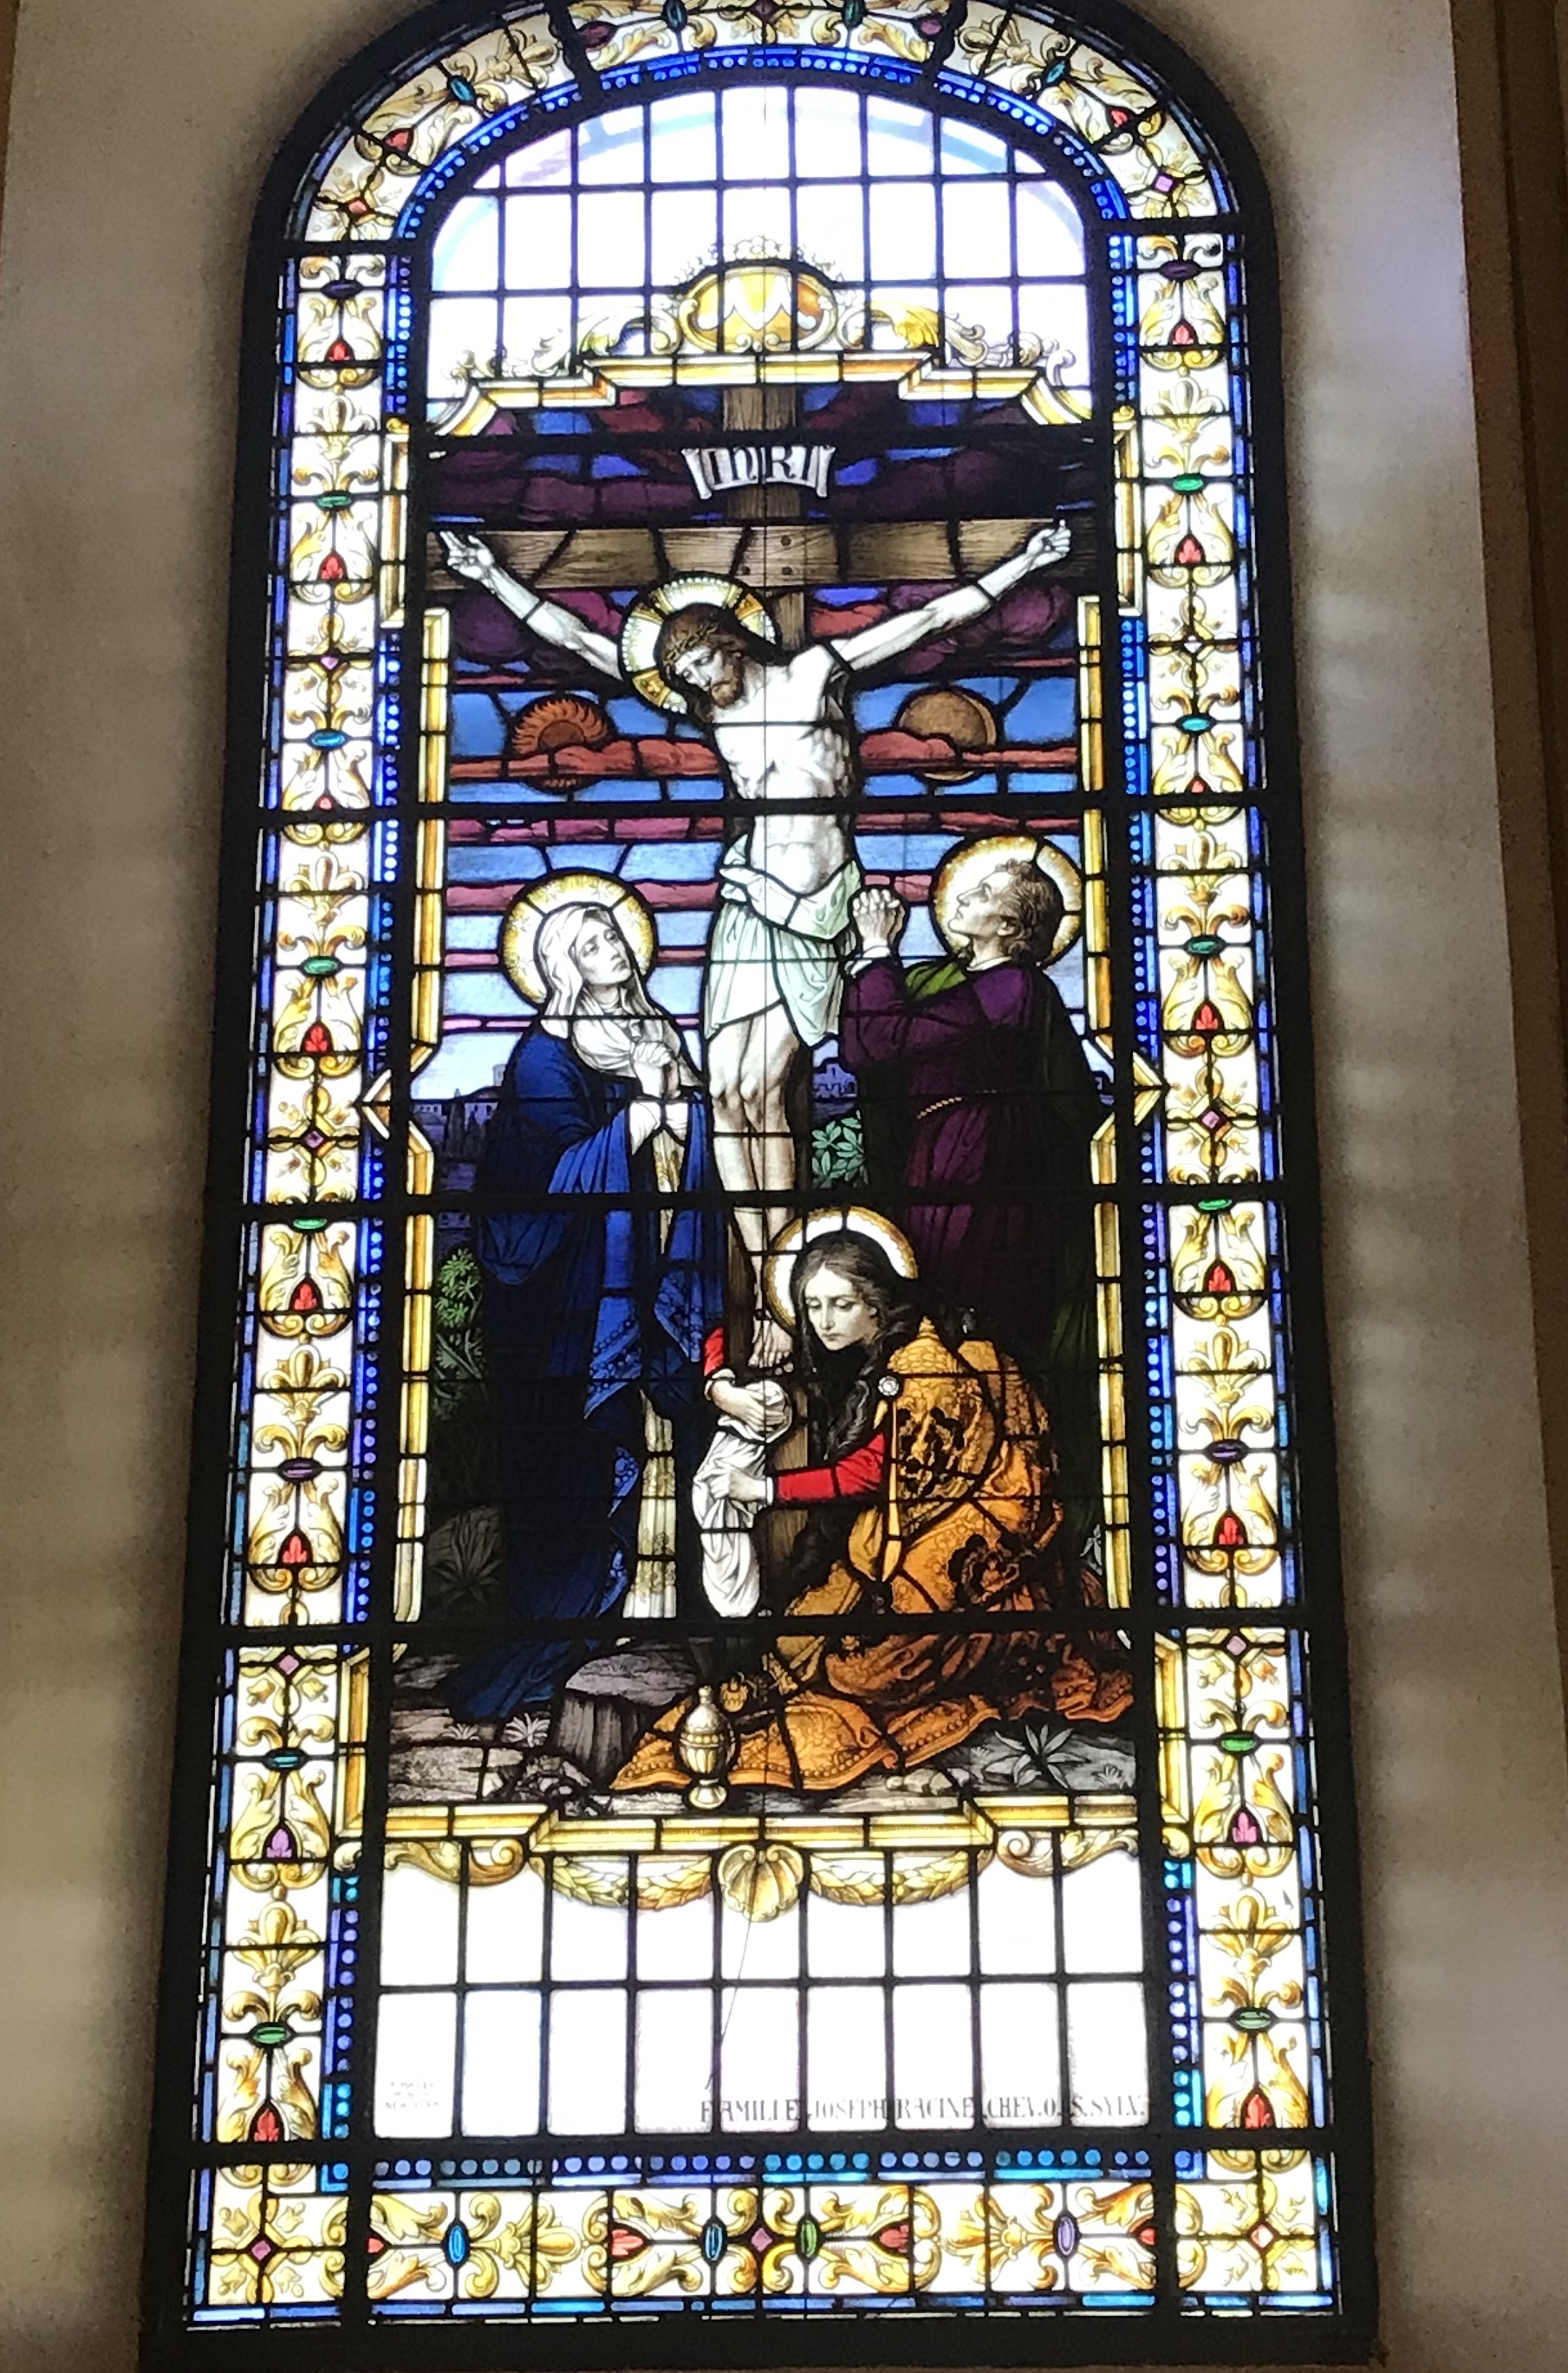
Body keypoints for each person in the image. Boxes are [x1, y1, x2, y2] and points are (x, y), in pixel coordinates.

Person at [441, 521, 1074, 1356]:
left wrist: (1025, 562)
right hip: (748, 901)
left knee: (768, 1091)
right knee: (726, 1095)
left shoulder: (814, 673)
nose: (703, 680)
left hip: (814, 909)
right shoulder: (711, 716)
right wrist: (492, 577)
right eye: (686, 676)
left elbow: (925, 621)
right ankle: (772, 1272)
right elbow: (585, 644)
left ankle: (789, 1279)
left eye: (706, 660)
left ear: (732, 638)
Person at [613, 1232, 1130, 1799]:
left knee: (868, 1671)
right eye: (812, 1306)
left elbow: (875, 1471)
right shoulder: (860, 1351)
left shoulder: (924, 1366)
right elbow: (724, 1333)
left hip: (974, 1526)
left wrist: (764, 1489)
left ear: (877, 1304)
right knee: (804, 1642)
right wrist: (719, 1382)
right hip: (899, 1530)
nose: (824, 1321)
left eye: (841, 1304)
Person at [444, 894, 719, 1722]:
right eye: (591, 940)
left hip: (651, 1274)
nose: (612, 946)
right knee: (572, 1460)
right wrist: (644, 1111)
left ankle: (661, 1611)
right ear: (562, 964)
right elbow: (550, 1181)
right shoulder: (544, 1056)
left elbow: (690, 1145)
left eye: (614, 933)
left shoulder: (655, 1032)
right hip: (567, 1302)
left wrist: (679, 1110)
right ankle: (567, 1627)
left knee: (673, 1433)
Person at [841, 856, 1104, 1522]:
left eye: (985, 891)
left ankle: (995, 1492)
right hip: (948, 1158)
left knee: (969, 1318)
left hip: (980, 1167)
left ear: (1012, 927)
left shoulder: (1012, 986)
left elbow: (877, 1041)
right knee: (941, 1317)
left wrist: (876, 951)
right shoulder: (978, 988)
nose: (963, 893)